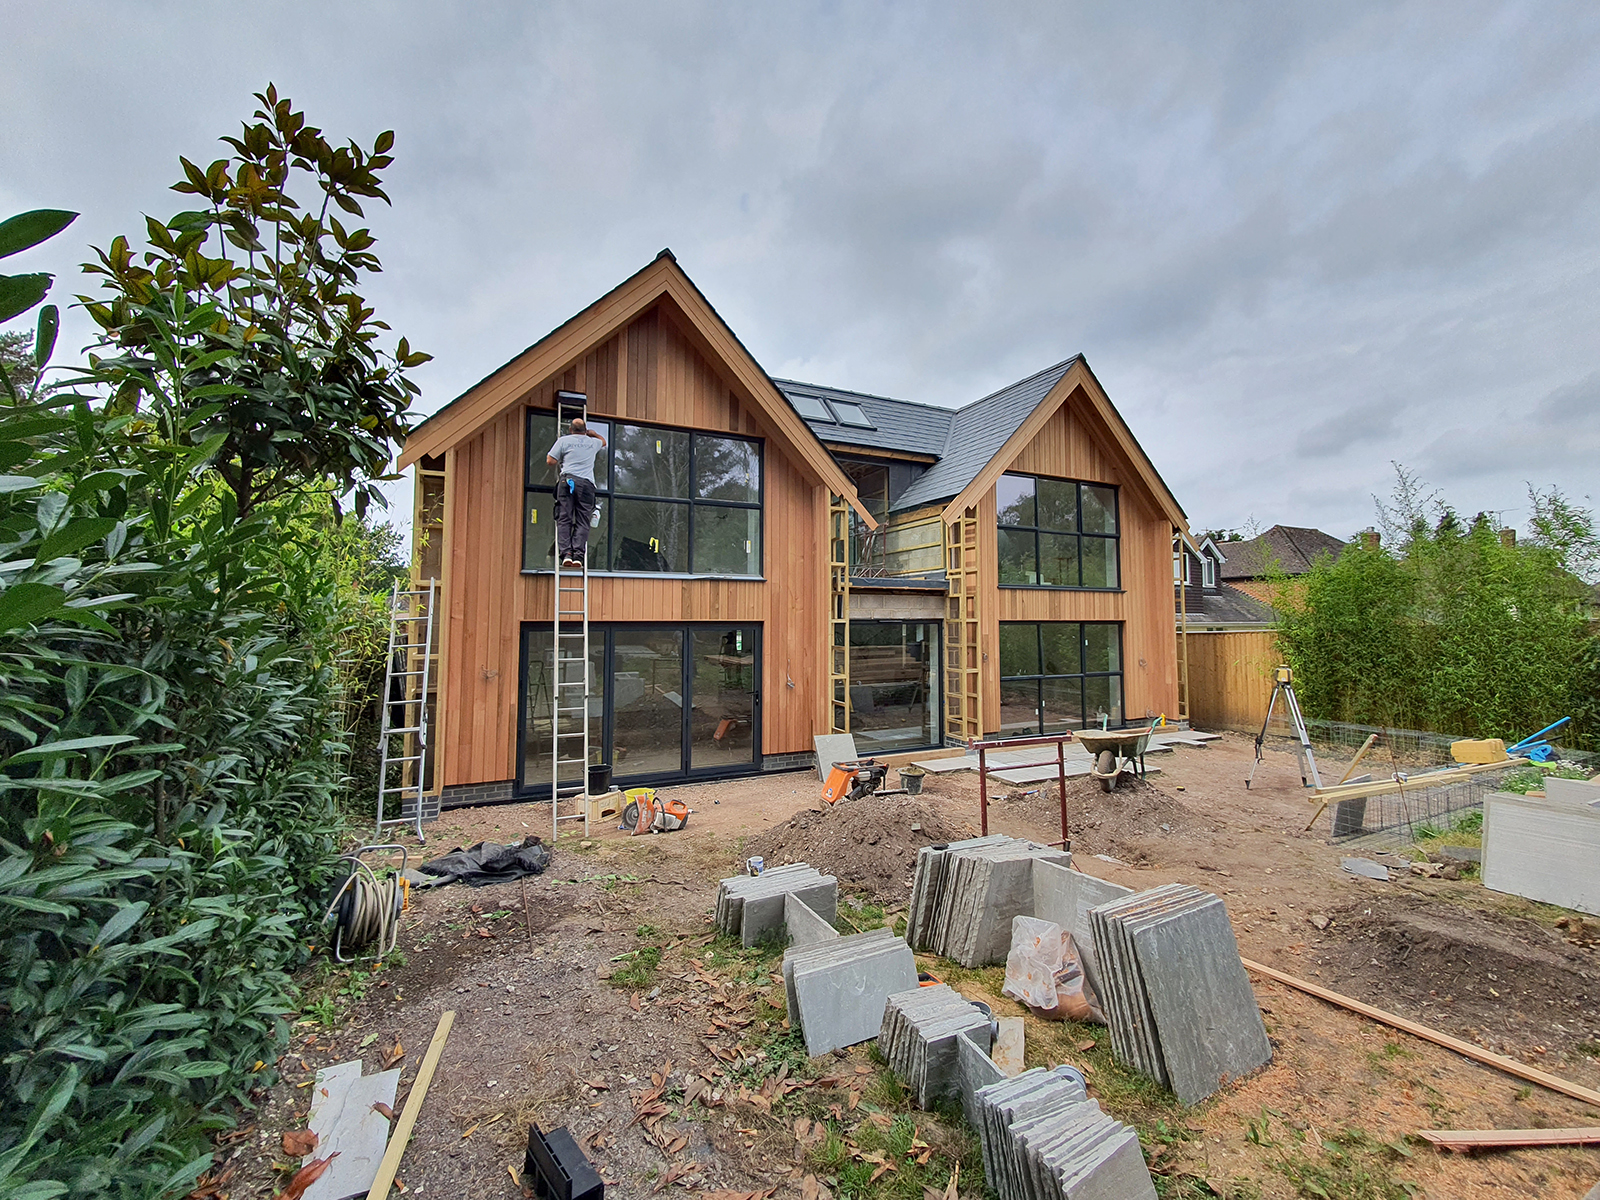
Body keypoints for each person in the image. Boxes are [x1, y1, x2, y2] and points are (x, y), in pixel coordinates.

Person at [545, 418, 607, 568]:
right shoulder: (592, 442)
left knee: (564, 518)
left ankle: (566, 554)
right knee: (582, 521)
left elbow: (550, 461)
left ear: (571, 429)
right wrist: (594, 434)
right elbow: (603, 441)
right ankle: (578, 556)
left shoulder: (564, 441)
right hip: (586, 485)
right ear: (585, 430)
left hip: (568, 482)